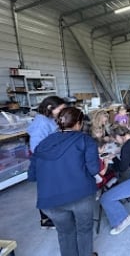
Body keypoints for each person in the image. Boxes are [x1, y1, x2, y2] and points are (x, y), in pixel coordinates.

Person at [28, 107, 100, 256]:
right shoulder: (85, 140)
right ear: (79, 123)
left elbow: (32, 175)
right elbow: (93, 169)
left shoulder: (43, 143)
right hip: (80, 195)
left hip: (50, 200)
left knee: (65, 233)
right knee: (84, 229)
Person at [27, 95, 66, 229]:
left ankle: (52, 213)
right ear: (50, 108)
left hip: (50, 157)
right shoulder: (41, 123)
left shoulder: (49, 119)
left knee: (51, 188)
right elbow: (36, 148)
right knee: (46, 189)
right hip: (44, 160)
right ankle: (45, 219)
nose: (61, 113)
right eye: (60, 110)